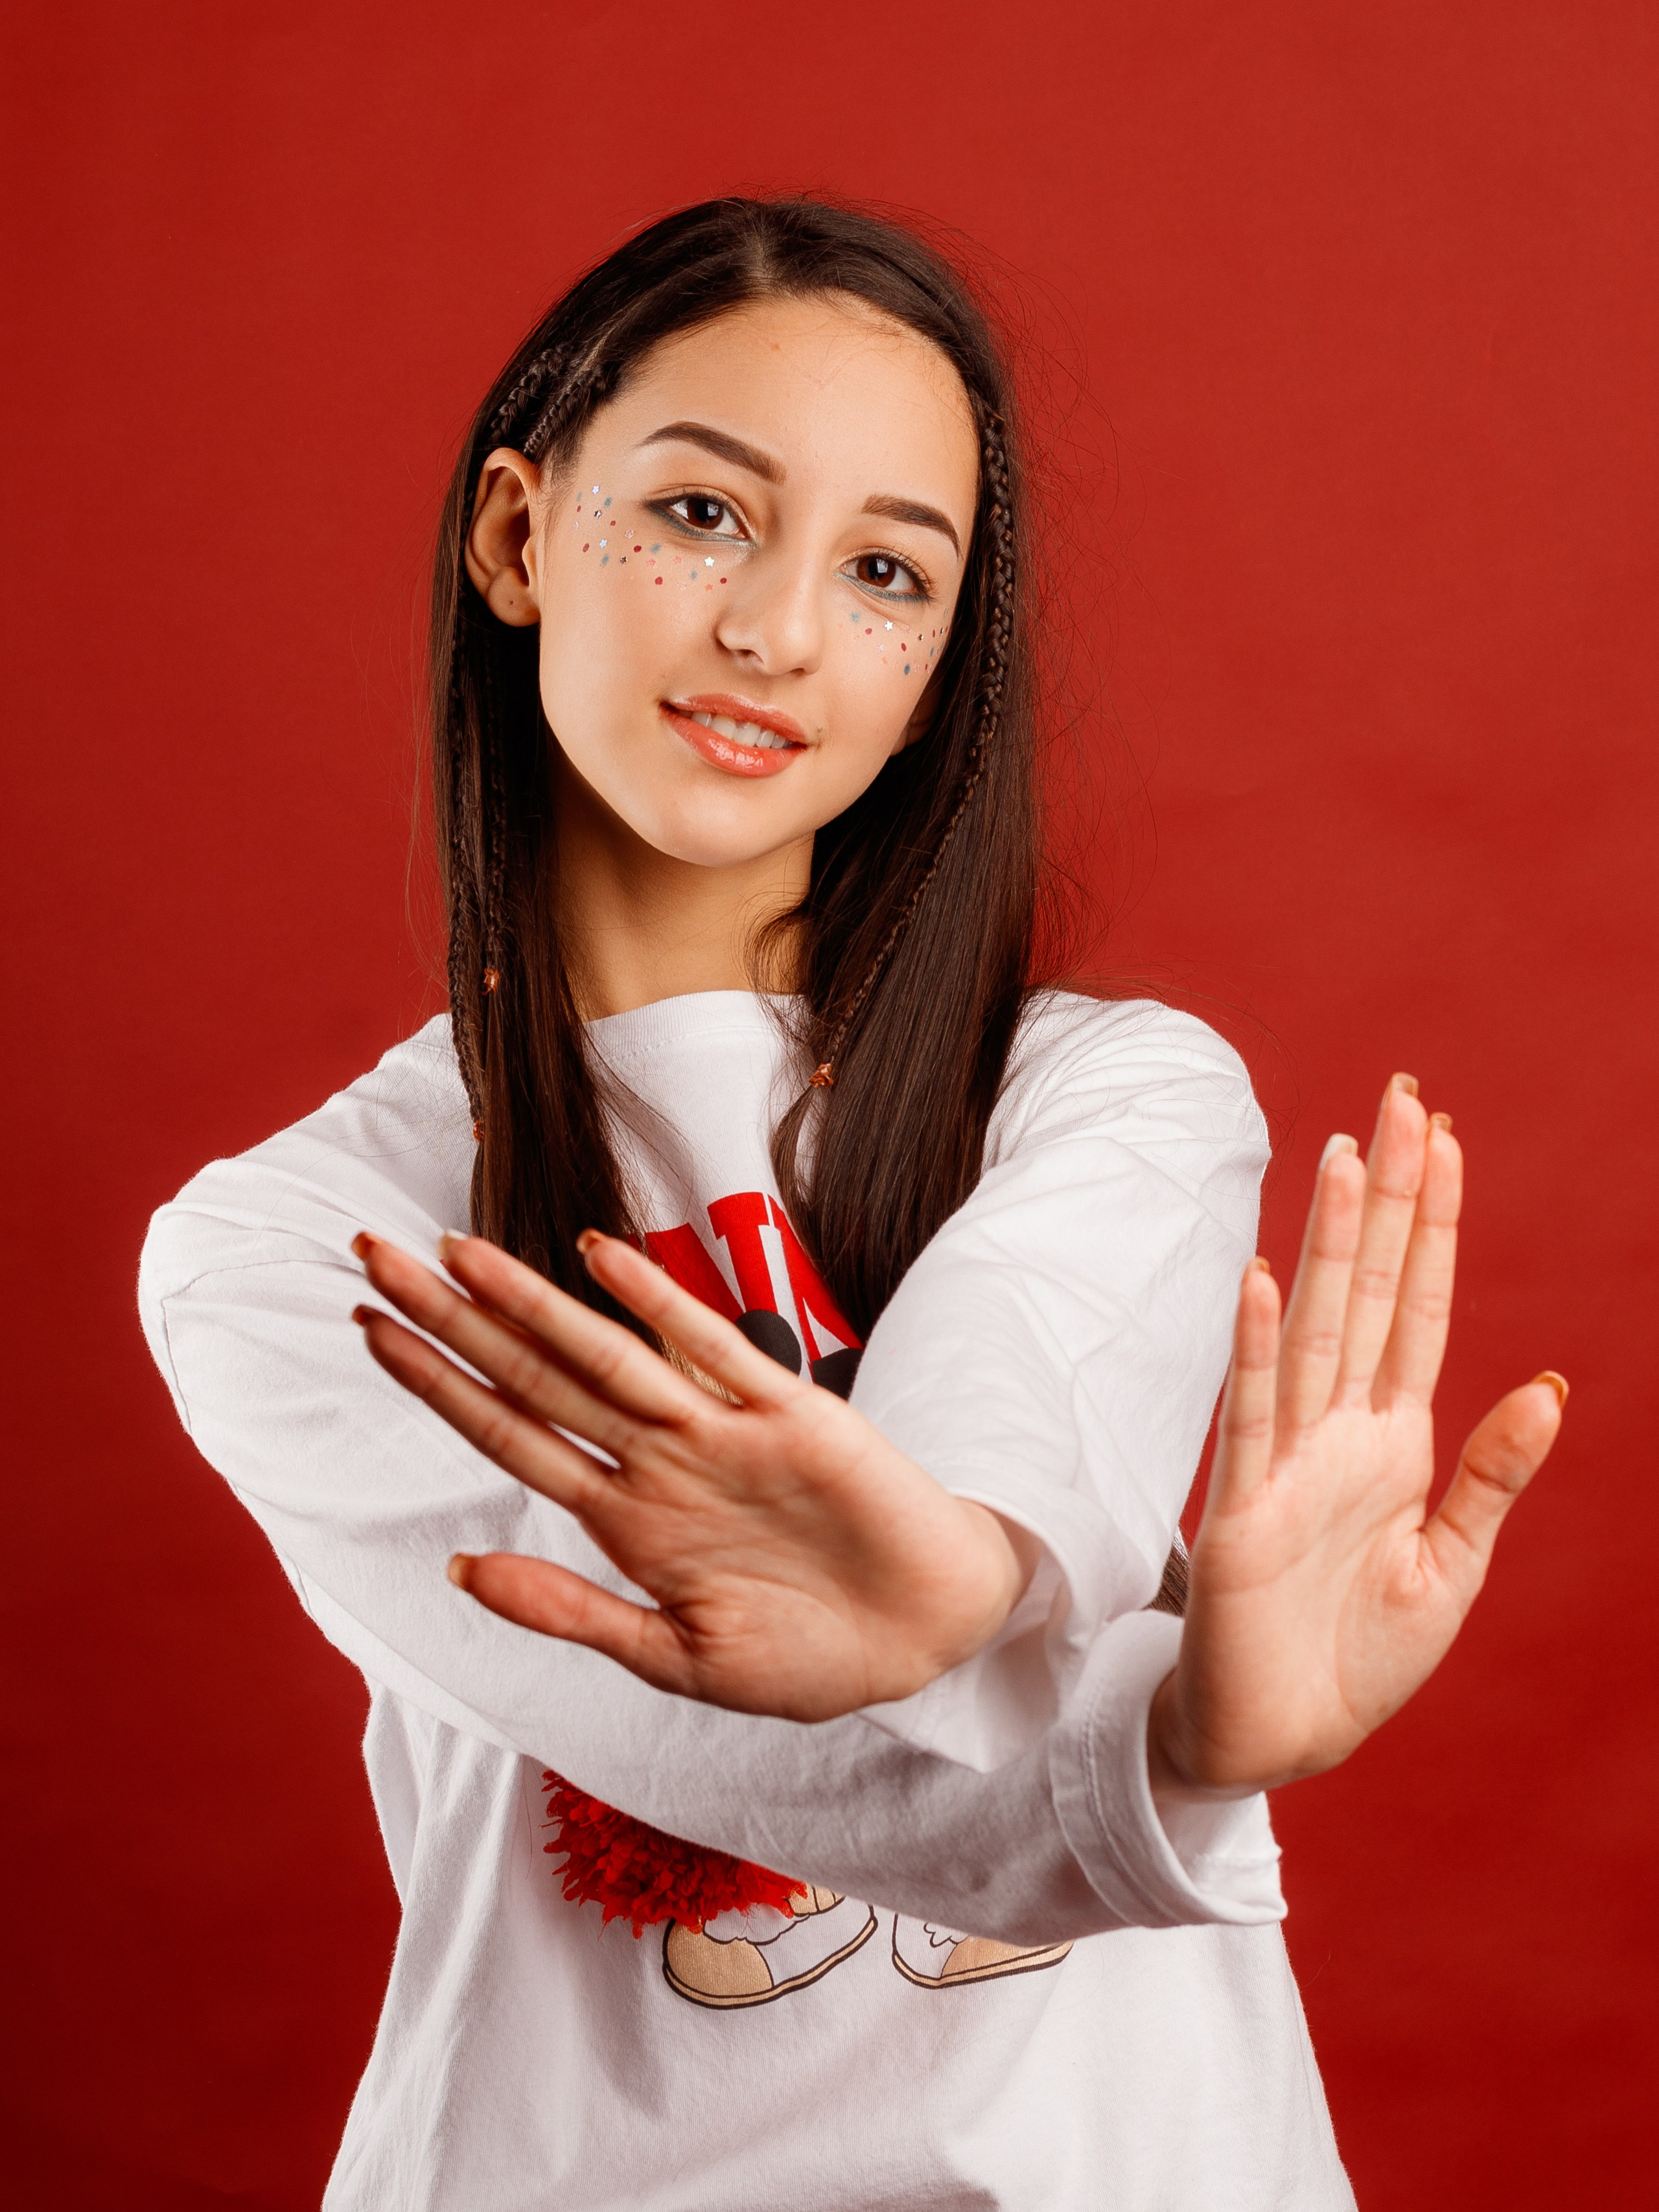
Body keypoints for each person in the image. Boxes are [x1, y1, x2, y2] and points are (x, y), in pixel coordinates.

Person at [138, 196, 1563, 2209]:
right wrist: (1157, 1754)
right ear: (520, 536)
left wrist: (971, 1585)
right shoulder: (291, 1249)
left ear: (933, 674)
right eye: (707, 515)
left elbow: (1013, 1374)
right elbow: (743, 1755)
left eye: (886, 571)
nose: (779, 631)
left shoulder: (1110, 1098)